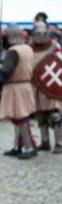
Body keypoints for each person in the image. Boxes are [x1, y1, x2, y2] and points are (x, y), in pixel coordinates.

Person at [0, 24, 37, 159]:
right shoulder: (27, 48)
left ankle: (29, 147)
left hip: (15, 87)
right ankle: (18, 146)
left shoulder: (13, 51)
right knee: (19, 117)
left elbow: (5, 72)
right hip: (26, 85)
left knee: (20, 118)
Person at [30, 21, 62, 153]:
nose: (40, 35)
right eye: (37, 32)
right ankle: (45, 142)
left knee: (55, 114)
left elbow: (59, 63)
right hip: (36, 86)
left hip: (51, 88)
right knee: (40, 115)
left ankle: (59, 144)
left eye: (42, 32)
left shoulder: (54, 46)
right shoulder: (30, 47)